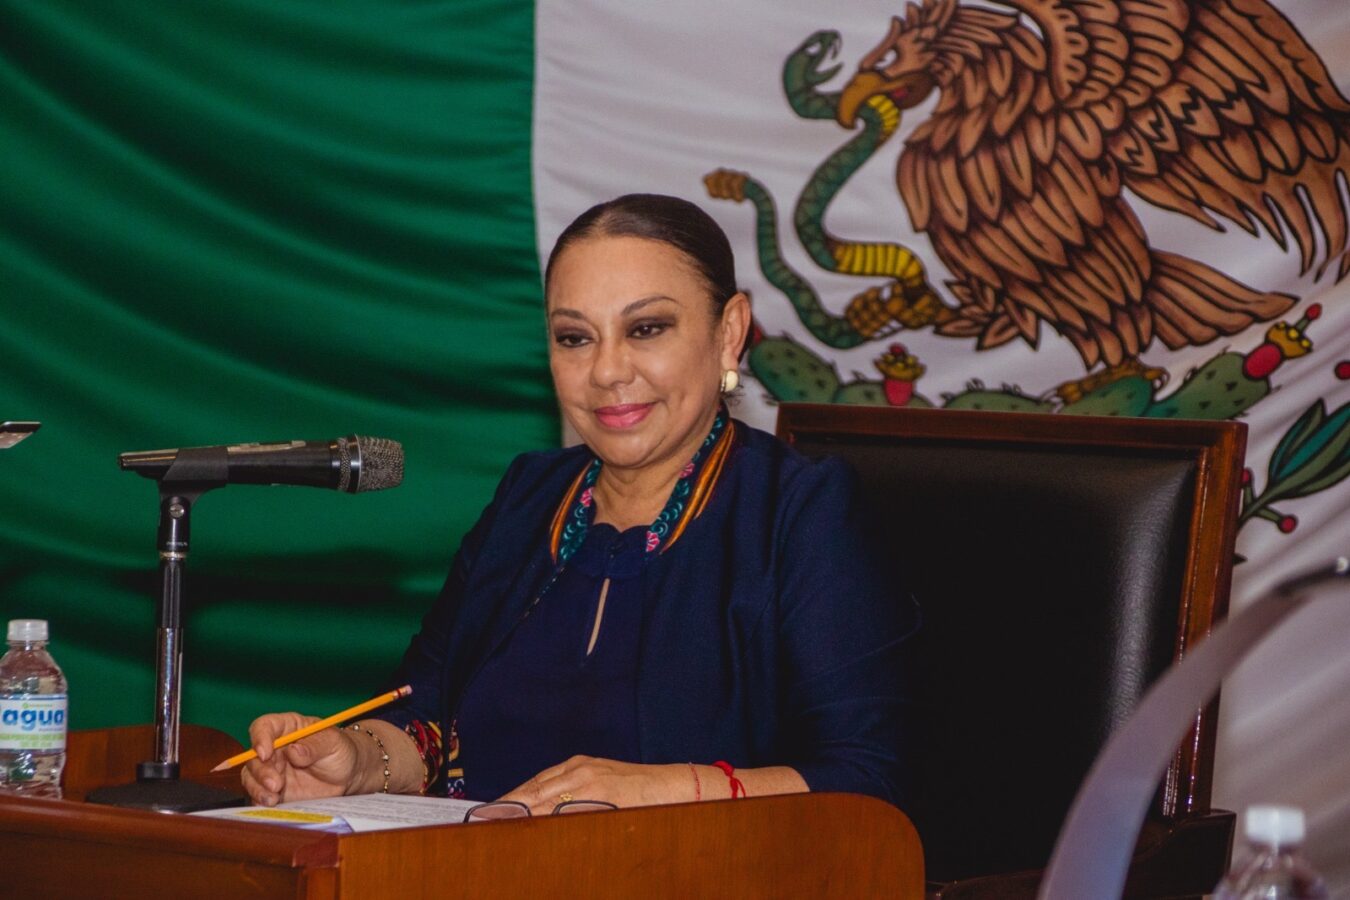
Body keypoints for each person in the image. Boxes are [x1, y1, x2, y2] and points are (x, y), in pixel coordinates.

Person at [241, 194, 917, 813]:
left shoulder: (801, 512)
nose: (607, 371)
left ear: (729, 333)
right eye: (575, 337)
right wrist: (357, 760)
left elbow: (868, 778)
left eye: (646, 329)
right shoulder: (530, 495)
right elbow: (429, 716)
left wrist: (653, 790)